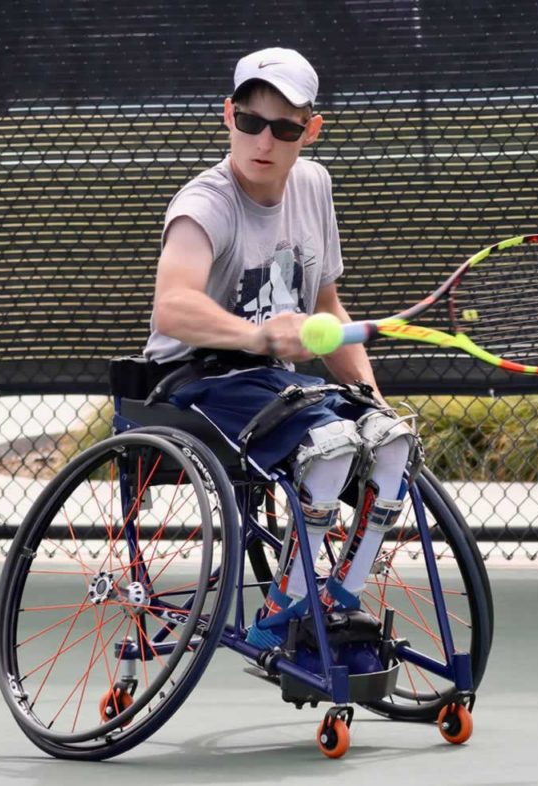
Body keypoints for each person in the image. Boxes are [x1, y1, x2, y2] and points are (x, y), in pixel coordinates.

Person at [144, 47, 420, 654]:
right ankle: (283, 613)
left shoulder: (314, 186)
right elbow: (172, 305)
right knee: (328, 446)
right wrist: (257, 336)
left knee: (392, 437)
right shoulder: (203, 206)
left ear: (310, 131)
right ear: (229, 117)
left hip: (276, 386)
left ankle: (340, 598)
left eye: (285, 127)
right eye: (251, 121)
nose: (264, 140)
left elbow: (328, 311)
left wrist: (372, 399)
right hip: (193, 382)